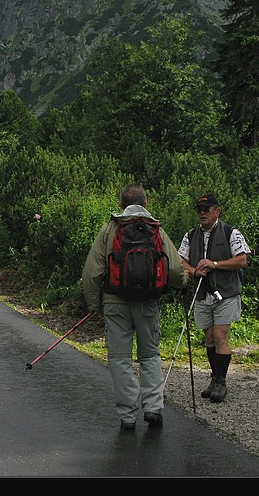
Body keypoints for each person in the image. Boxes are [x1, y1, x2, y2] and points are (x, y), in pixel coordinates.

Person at [82, 184, 186, 430]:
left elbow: (92, 271)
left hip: (115, 303)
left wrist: (94, 305)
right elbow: (173, 269)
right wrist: (182, 283)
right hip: (148, 303)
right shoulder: (156, 230)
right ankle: (153, 408)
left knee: (120, 359)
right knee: (150, 356)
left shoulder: (110, 229)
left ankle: (128, 416)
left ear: (121, 205)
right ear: (146, 204)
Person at [177, 193, 250, 404]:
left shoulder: (231, 232)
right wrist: (194, 270)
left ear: (217, 211)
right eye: (199, 209)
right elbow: (181, 261)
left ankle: (221, 382)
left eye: (206, 209)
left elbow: (242, 260)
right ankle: (214, 378)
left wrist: (215, 264)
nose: (202, 213)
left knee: (220, 337)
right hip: (202, 293)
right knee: (209, 337)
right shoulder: (190, 235)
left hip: (226, 292)